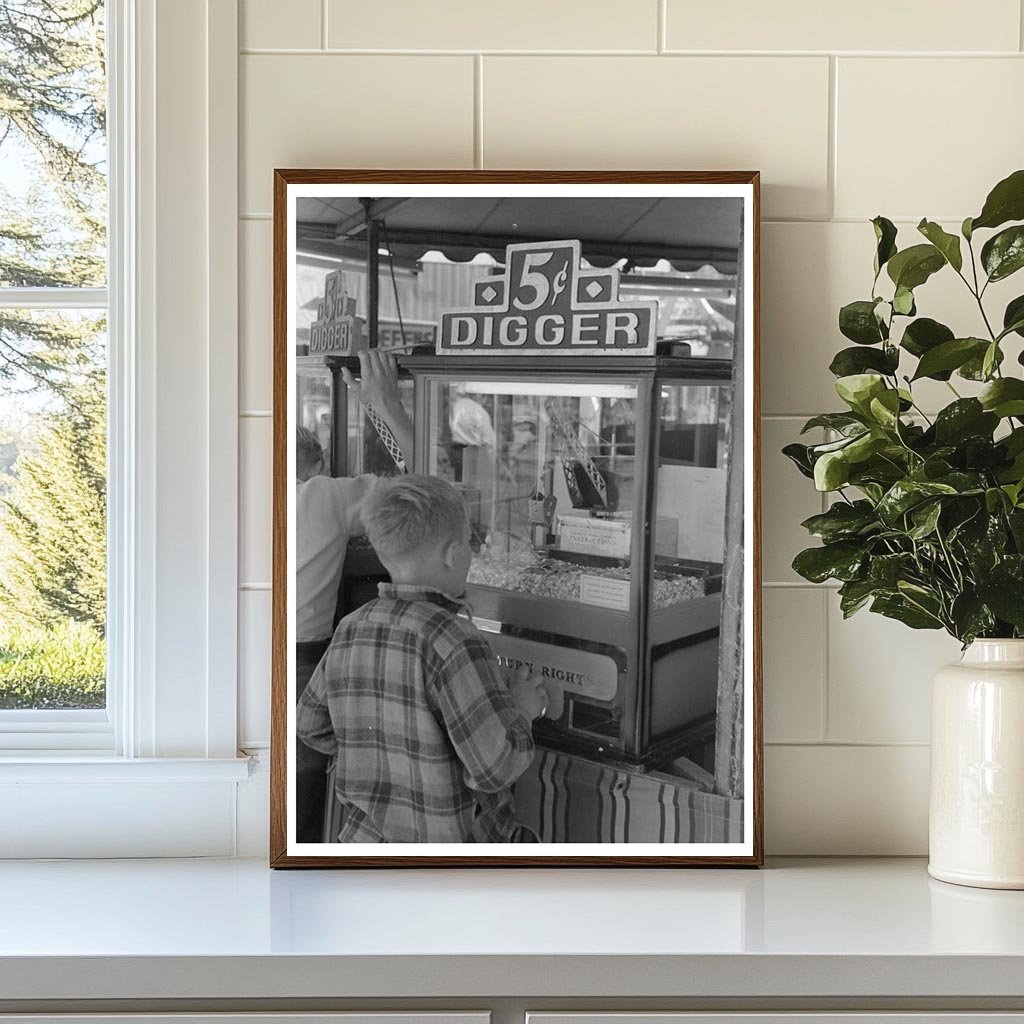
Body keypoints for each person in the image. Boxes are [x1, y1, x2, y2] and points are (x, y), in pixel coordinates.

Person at [296, 475, 549, 843]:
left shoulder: (351, 627)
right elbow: (496, 767)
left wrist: (378, 752)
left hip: (363, 848)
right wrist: (523, 710)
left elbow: (310, 725)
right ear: (452, 553)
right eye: (468, 545)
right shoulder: (457, 642)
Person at [294, 348, 413, 843]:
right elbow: (421, 482)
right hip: (302, 661)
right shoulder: (320, 495)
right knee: (301, 787)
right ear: (316, 462)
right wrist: (385, 403)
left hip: (223, 654)